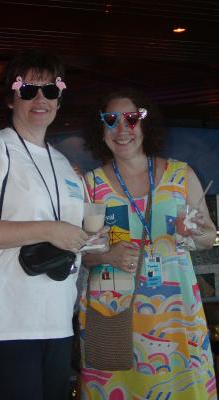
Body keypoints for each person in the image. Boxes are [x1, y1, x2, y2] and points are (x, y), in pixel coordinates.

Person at [0, 48, 90, 400]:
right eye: (28, 90)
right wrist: (48, 229)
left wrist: (95, 244)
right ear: (12, 98)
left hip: (56, 322)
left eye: (50, 90)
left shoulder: (63, 164)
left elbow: (71, 240)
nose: (40, 98)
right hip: (1, 327)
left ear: (59, 97)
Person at [79, 87, 217, 399]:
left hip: (176, 314)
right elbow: (83, 253)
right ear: (100, 129)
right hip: (114, 315)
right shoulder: (92, 185)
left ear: (145, 124)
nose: (122, 129)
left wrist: (193, 233)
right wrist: (108, 255)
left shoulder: (181, 175)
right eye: (111, 119)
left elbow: (209, 235)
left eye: (131, 118)